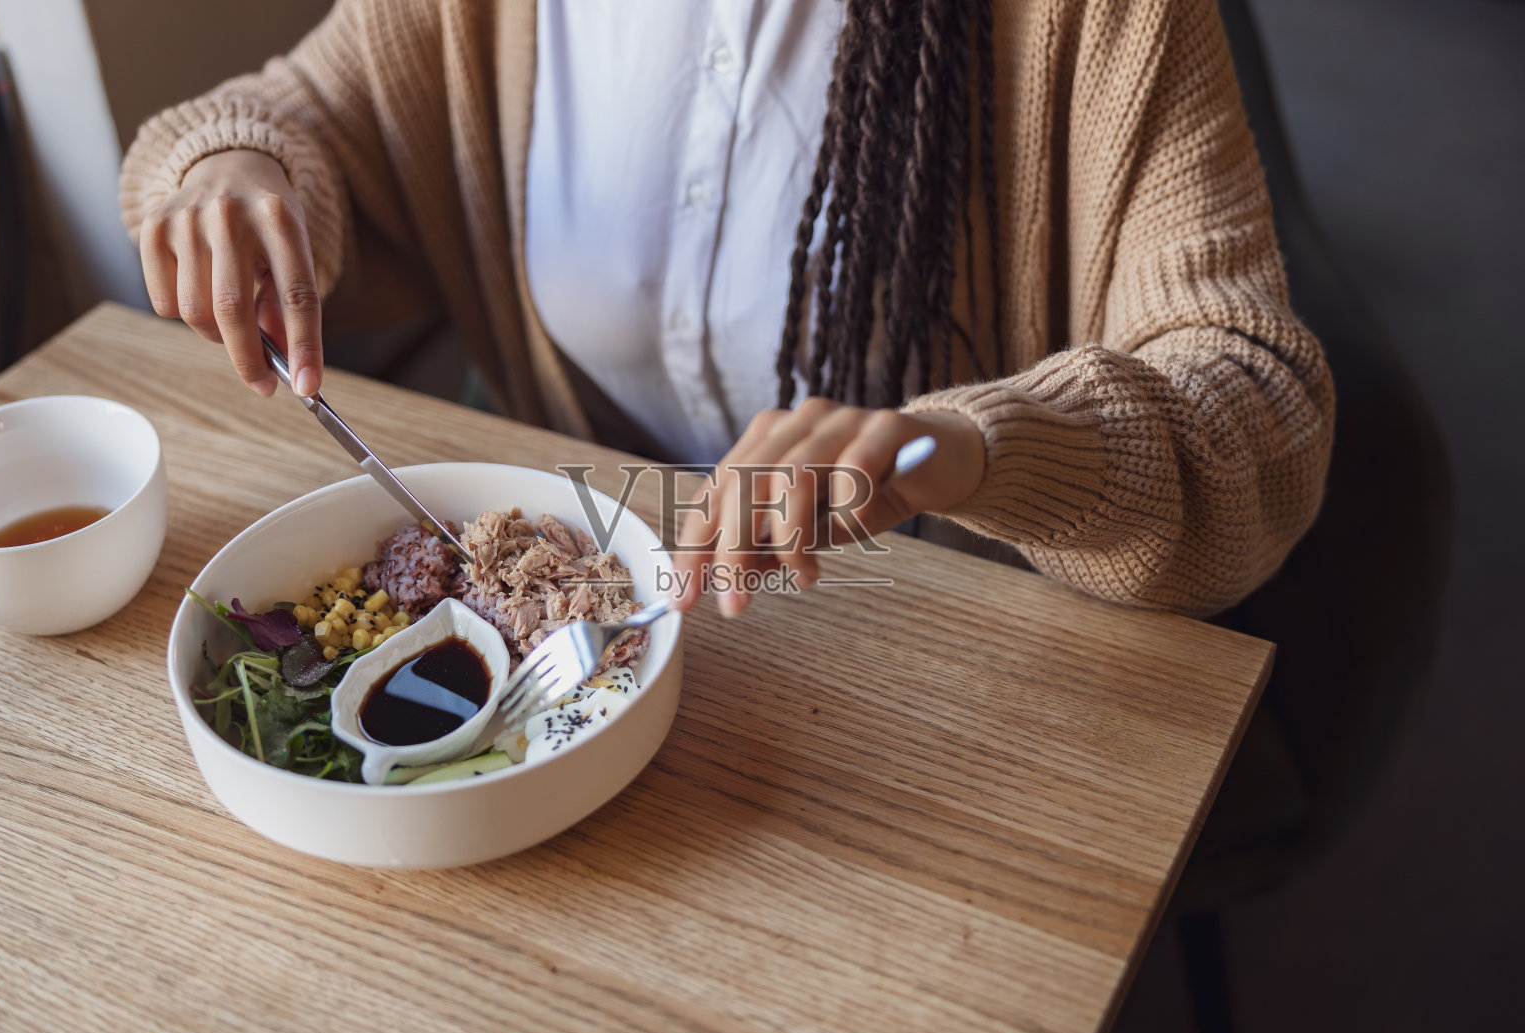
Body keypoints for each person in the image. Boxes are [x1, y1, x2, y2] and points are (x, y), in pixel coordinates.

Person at [119, 0, 1333, 619]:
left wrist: (951, 449)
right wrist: (227, 167)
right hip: (586, 619)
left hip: (943, 646)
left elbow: (1253, 411)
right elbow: (291, 116)